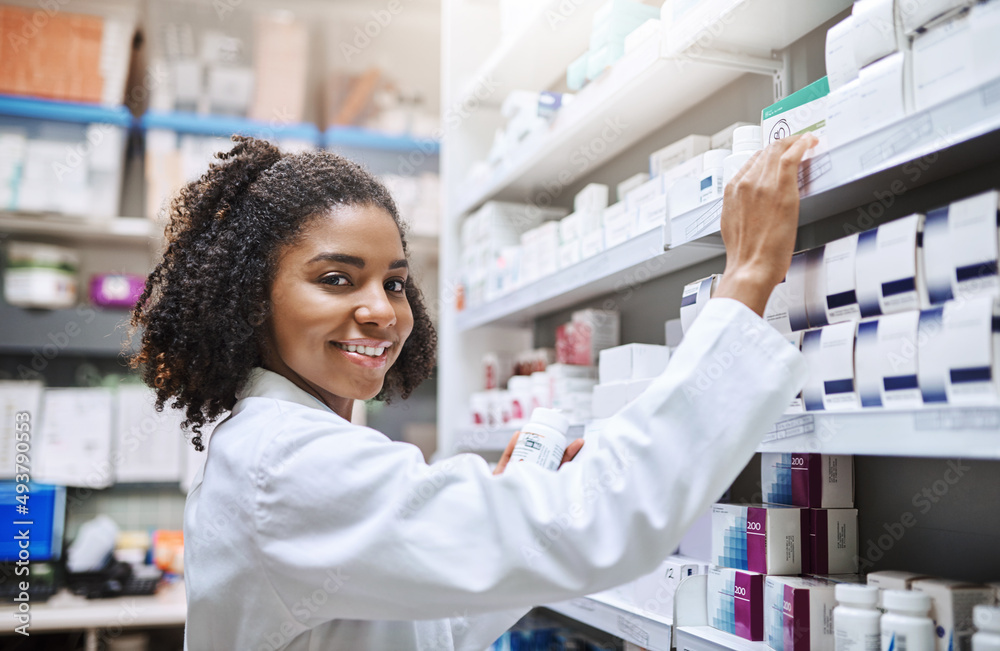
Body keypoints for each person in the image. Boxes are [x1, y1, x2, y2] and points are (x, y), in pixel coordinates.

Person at [130, 131, 816, 651]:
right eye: (337, 278)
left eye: (395, 281)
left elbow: (436, 626)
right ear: (253, 301)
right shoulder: (284, 461)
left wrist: (516, 494)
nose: (381, 309)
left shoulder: (293, 446)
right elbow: (594, 522)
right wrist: (748, 279)